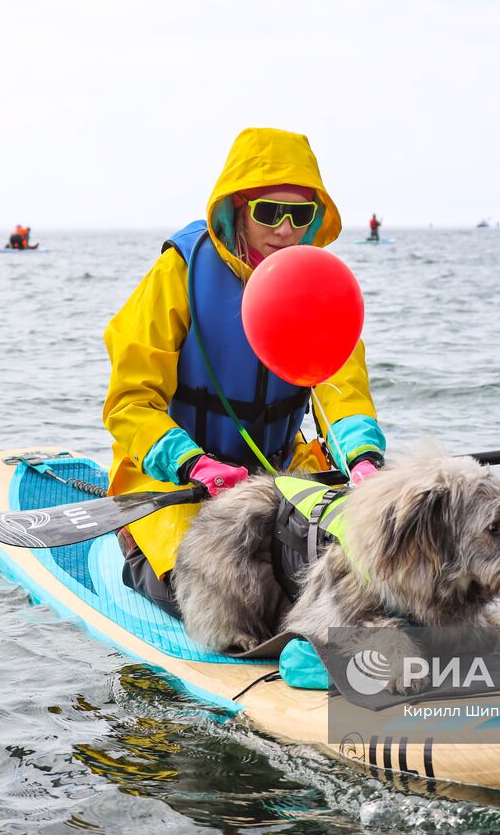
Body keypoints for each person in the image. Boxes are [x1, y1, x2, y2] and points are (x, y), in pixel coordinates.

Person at [102, 127, 386, 616]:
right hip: (177, 482)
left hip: (279, 474)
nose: (285, 230)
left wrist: (362, 458)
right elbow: (130, 404)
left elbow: (343, 390)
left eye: (300, 215)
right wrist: (194, 463)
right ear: (237, 209)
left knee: (367, 573)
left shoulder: (316, 286)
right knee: (220, 596)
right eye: (269, 212)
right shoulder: (180, 271)